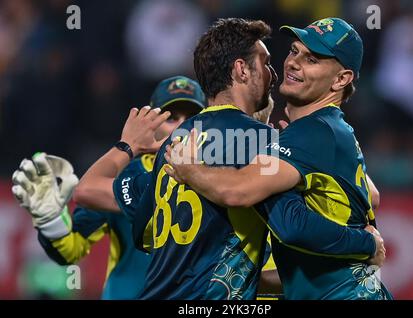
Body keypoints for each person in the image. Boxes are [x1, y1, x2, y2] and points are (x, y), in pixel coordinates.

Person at [74, 18, 384, 300]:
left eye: (310, 58)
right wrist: (365, 243)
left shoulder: (174, 144)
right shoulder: (260, 142)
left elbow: (141, 233)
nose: (276, 71)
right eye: (266, 62)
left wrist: (127, 147)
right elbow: (295, 220)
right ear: (241, 70)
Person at [165, 18, 392, 300]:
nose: (293, 63)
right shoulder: (328, 130)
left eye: (312, 59)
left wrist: (190, 170)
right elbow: (372, 196)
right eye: (295, 51)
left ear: (341, 79)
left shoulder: (315, 132)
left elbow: (242, 194)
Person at [11, 76, 206, 299]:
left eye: (191, 118)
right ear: (150, 121)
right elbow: (71, 249)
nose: (181, 126)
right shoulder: (123, 174)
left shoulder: (222, 176)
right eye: (171, 117)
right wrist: (51, 221)